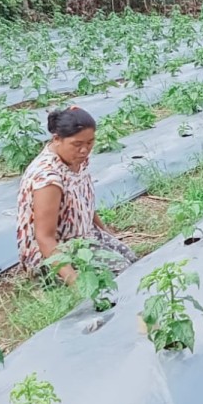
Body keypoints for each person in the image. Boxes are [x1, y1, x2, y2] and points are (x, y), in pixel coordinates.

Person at [15, 106, 138, 283]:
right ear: (57, 139)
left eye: (90, 142)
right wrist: (75, 281)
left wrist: (107, 235)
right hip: (55, 252)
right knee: (120, 275)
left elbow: (84, 203)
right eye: (77, 144)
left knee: (132, 261)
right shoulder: (48, 178)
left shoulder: (77, 160)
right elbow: (44, 238)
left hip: (82, 236)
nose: (84, 150)